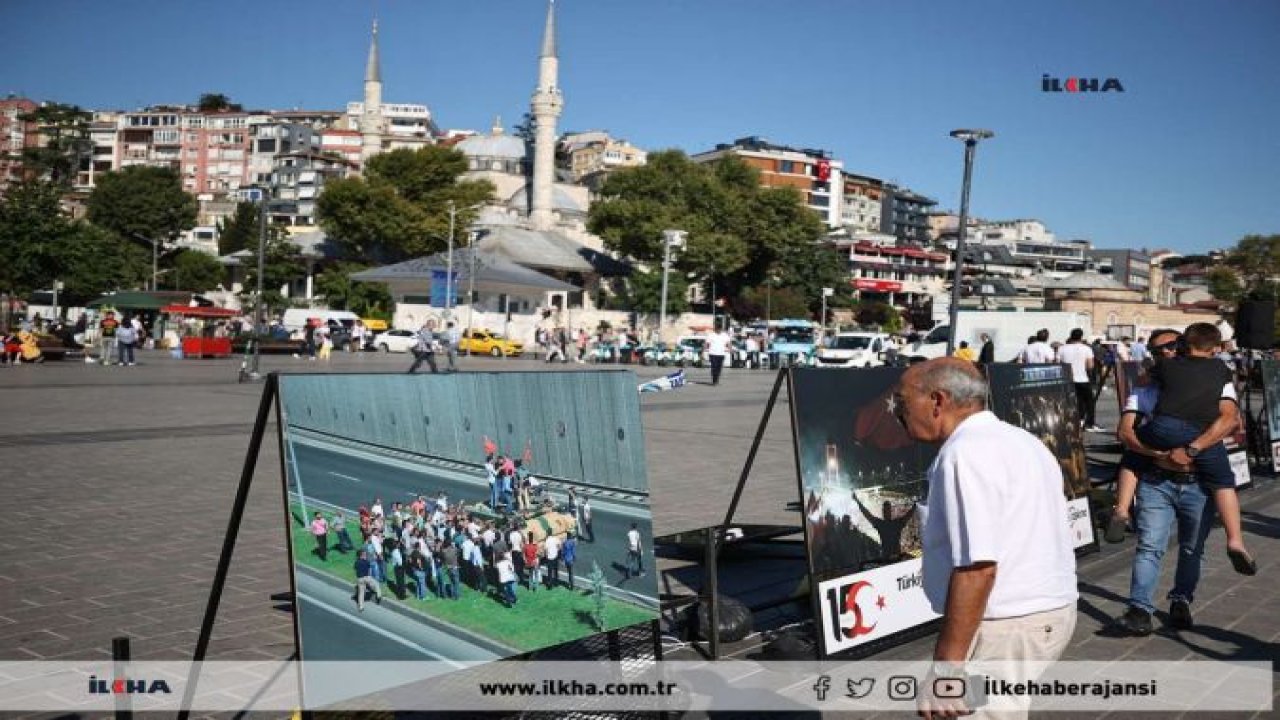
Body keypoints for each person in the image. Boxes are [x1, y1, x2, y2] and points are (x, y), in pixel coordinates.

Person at [893, 358, 1077, 719]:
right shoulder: (1019, 440)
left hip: (1007, 623)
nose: (896, 411)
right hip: (1039, 612)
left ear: (937, 400)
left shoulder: (967, 453)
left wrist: (945, 671)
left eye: (900, 401)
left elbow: (978, 568)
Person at [1124, 322, 1257, 575]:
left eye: (1172, 346)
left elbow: (1141, 384)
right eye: (1159, 350)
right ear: (1216, 348)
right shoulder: (1221, 368)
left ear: (1185, 344)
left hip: (1165, 427)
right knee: (1224, 483)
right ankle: (1235, 539)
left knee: (1133, 451)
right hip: (1201, 433)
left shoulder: (1166, 367)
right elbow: (1229, 418)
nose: (1166, 352)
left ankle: (1120, 508)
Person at [1057, 328, 1103, 432]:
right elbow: (1090, 366)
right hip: (1082, 378)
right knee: (1089, 402)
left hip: (1067, 379)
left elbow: (1057, 363)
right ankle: (1089, 423)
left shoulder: (1062, 349)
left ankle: (1070, 421)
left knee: (1069, 402)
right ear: (1081, 337)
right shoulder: (1086, 349)